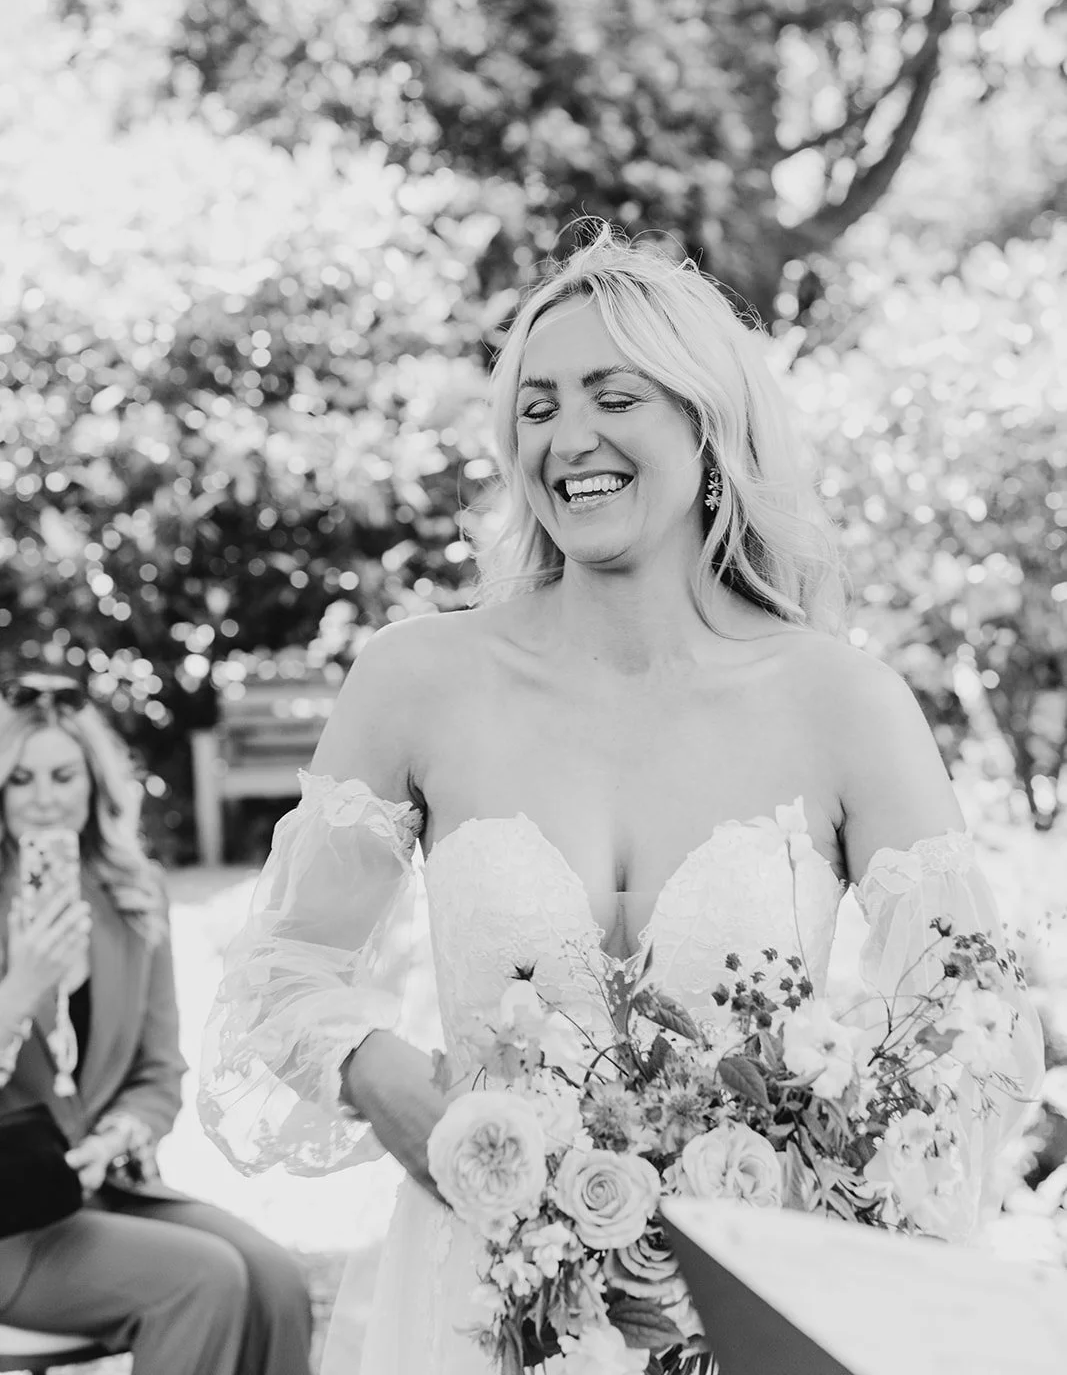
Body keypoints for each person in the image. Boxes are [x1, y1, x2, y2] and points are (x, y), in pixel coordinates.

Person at [199, 229, 1043, 1374]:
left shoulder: (841, 701)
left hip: (744, 1301)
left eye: (613, 396)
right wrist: (371, 1067)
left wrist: (844, 1167)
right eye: (537, 406)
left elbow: (975, 1021)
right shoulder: (418, 679)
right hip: (475, 1293)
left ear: (707, 431)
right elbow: (274, 974)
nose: (567, 438)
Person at [0, 671, 313, 1375]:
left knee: (275, 1284)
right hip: (9, 1222)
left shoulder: (133, 898)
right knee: (202, 1281)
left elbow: (156, 1070)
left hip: (103, 1187)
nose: (45, 799)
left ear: (94, 785)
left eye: (63, 775)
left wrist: (118, 1133)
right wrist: (20, 991)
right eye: (20, 779)